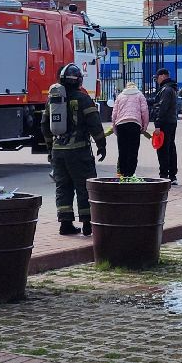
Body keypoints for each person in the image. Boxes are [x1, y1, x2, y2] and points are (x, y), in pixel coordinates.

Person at [46, 63, 106, 236]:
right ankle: (87, 223)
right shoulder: (83, 99)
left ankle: (65, 224)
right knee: (84, 186)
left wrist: (50, 148)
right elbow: (94, 123)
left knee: (63, 186)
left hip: (58, 151)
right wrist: (101, 145)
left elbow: (44, 125)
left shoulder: (53, 99)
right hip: (78, 151)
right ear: (79, 80)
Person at [111, 80, 150, 178]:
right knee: (133, 149)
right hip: (134, 124)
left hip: (121, 124)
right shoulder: (140, 95)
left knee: (122, 149)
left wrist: (114, 127)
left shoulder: (120, 96)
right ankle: (130, 173)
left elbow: (114, 113)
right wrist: (144, 126)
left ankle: (123, 173)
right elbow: (145, 111)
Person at [150, 67, 180, 184]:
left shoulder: (166, 90)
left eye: (157, 78)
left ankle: (164, 175)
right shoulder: (171, 88)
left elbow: (162, 107)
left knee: (163, 149)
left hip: (165, 123)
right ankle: (172, 175)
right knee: (170, 148)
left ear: (162, 76)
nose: (156, 80)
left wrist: (157, 124)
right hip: (171, 121)